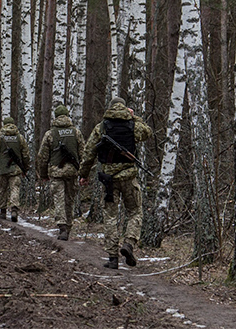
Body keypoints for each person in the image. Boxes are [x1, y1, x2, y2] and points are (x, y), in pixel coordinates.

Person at [79, 96, 152, 270]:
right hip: (129, 177)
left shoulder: (101, 127)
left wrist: (84, 174)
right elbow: (147, 132)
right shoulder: (133, 125)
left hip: (109, 179)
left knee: (110, 216)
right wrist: (134, 117)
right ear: (125, 109)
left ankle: (112, 257)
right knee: (135, 211)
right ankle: (129, 243)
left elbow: (89, 152)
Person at [37, 104, 84, 241]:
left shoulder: (50, 134)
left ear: (56, 117)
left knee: (59, 200)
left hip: (56, 172)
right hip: (72, 172)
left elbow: (43, 157)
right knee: (69, 200)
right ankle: (68, 227)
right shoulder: (76, 132)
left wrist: (43, 174)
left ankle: (62, 227)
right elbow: (83, 153)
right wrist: (83, 172)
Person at [0, 116, 30, 222]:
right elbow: (25, 154)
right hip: (16, 169)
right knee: (15, 189)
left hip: (3, 168)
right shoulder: (19, 137)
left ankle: (2, 212)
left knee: (3, 189)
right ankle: (14, 210)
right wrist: (25, 168)